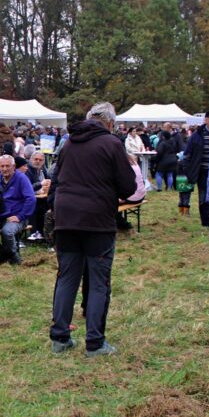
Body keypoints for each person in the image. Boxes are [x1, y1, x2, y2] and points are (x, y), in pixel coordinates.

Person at [49, 102, 137, 358]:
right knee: (99, 282)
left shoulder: (68, 144)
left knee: (66, 277)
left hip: (66, 218)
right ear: (110, 123)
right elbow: (128, 187)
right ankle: (95, 342)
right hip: (97, 220)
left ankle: (60, 337)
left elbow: (56, 179)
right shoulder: (111, 144)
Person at [0, 155, 35, 264]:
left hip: (17, 217)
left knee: (7, 232)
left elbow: (31, 198)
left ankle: (15, 259)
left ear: (14, 166)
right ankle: (2, 252)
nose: (4, 169)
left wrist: (20, 216)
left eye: (7, 166)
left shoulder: (22, 178)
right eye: (2, 166)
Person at [183, 110, 209, 228]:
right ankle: (205, 222)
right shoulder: (197, 134)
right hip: (202, 170)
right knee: (203, 195)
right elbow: (188, 153)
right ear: (206, 120)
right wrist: (187, 169)